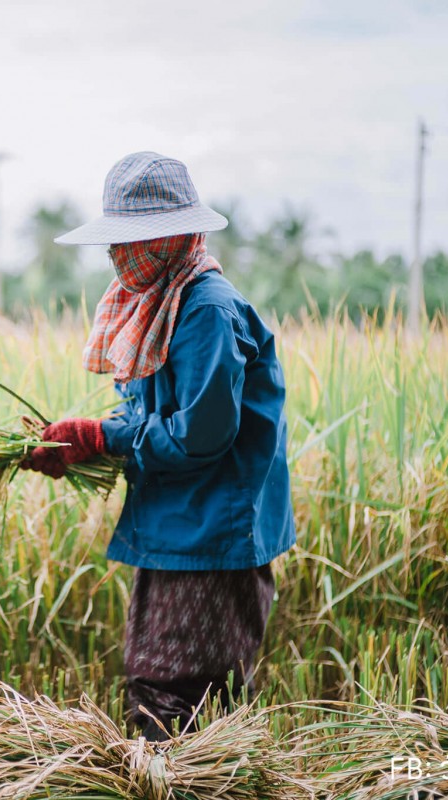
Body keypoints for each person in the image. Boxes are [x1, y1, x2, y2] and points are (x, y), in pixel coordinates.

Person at [21, 151, 296, 741]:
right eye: (114, 242)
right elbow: (146, 412)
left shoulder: (205, 311)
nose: (116, 254)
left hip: (212, 536)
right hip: (178, 525)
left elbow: (199, 436)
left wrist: (105, 436)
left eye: (130, 240)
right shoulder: (159, 301)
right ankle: (182, 776)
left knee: (176, 696)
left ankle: (186, 778)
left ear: (168, 237)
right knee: (163, 689)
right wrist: (83, 442)